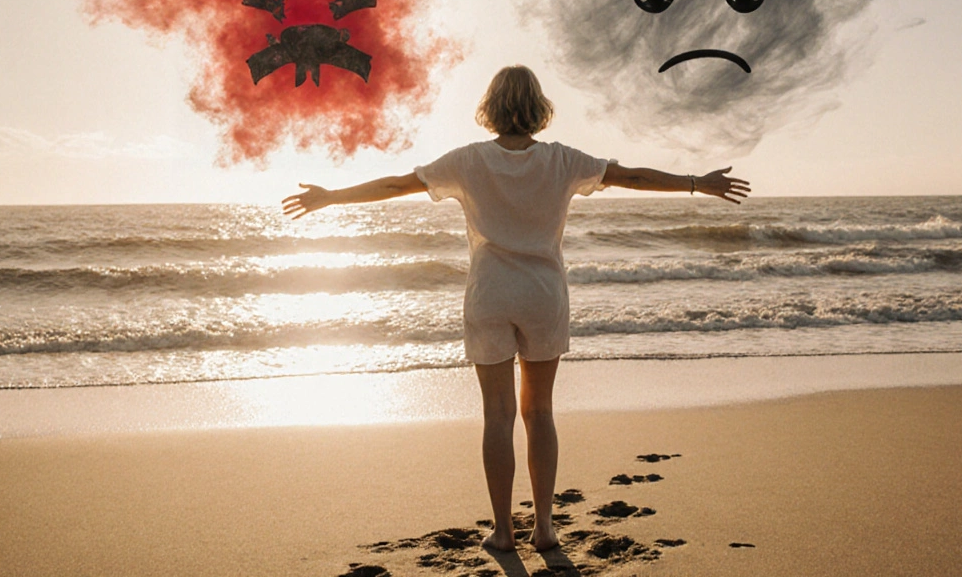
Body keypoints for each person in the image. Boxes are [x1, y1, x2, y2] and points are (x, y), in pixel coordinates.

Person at [282, 65, 750, 553]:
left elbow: (396, 185)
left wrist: (330, 198)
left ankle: (504, 532)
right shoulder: (563, 160)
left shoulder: (468, 160)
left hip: (489, 296)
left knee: (498, 417)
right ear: (539, 107)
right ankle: (544, 527)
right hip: (543, 296)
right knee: (540, 412)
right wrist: (700, 182)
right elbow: (632, 175)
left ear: (490, 106)